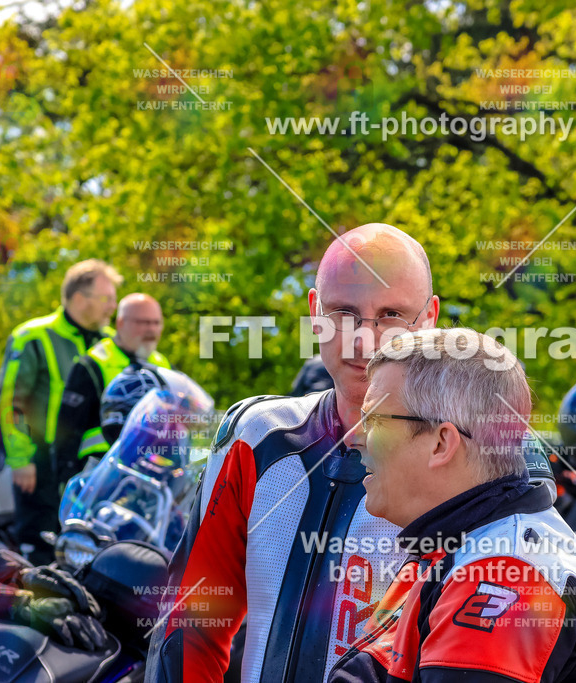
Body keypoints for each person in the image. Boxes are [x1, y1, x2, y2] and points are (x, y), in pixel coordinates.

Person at [149, 224, 442, 683]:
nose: (365, 341)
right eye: (343, 312)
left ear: (428, 320)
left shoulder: (467, 461)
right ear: (314, 313)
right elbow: (192, 626)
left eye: (391, 315)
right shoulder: (257, 439)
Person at [328, 328, 576, 682]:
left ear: (442, 443)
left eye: (375, 420)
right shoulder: (450, 542)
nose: (353, 437)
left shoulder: (505, 574)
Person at [0, 259, 121, 563]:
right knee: (38, 550)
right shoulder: (33, 336)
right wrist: (21, 459)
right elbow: (11, 400)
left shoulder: (109, 343)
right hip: (39, 464)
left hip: (89, 467)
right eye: (106, 299)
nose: (113, 307)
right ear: (79, 298)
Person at [53, 293, 171, 481]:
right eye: (143, 322)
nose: (152, 330)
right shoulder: (93, 363)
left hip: (148, 472)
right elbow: (67, 431)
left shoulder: (162, 364)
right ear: (120, 323)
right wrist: (66, 480)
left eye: (156, 323)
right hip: (99, 473)